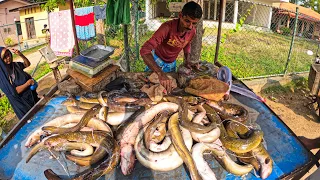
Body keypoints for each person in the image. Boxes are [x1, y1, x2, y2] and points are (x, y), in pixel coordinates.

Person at [140, 1, 202, 93]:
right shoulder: (167, 28)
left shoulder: (192, 31)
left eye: (194, 23)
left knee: (168, 91)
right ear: (180, 15)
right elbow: (144, 51)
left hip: (171, 63)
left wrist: (187, 60)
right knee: (150, 88)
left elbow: (187, 44)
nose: (190, 26)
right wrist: (160, 73)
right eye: (187, 21)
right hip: (157, 61)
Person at [0, 47, 39, 120]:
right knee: (32, 120)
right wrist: (28, 83)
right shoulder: (3, 78)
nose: (8, 58)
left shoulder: (15, 65)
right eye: (5, 57)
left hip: (31, 97)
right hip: (23, 104)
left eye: (9, 55)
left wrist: (21, 55)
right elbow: (14, 92)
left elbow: (27, 64)